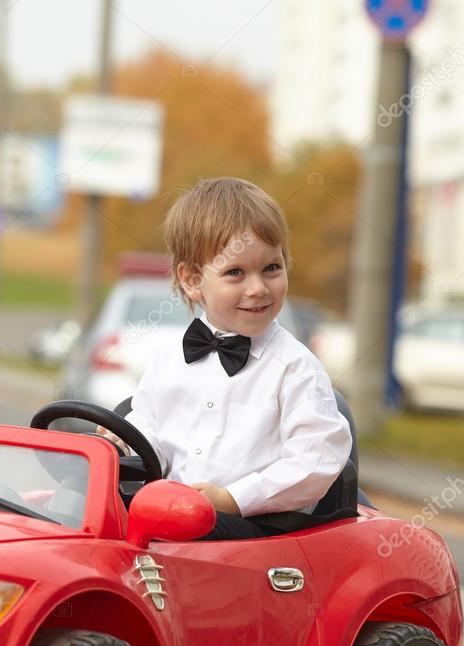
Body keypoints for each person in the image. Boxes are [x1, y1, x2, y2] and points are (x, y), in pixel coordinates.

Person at [98, 177, 353, 540]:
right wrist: (122, 442)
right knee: (90, 508)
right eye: (236, 272)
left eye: (271, 268)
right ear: (191, 279)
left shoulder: (296, 368)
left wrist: (232, 498)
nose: (258, 288)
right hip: (170, 514)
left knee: (186, 530)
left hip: (254, 528)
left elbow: (315, 461)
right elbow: (153, 431)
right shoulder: (170, 358)